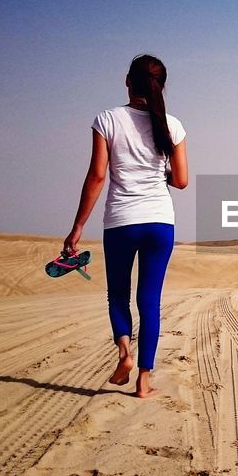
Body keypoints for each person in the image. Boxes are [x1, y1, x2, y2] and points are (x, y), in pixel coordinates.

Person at [63, 54, 189, 398]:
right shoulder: (173, 126)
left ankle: (124, 354)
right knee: (150, 300)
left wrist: (77, 227)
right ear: (161, 86)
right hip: (160, 223)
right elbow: (181, 181)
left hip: (120, 221)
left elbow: (98, 175)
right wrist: (157, 172)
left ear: (127, 81)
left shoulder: (107, 120)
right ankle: (145, 378)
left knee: (117, 295)